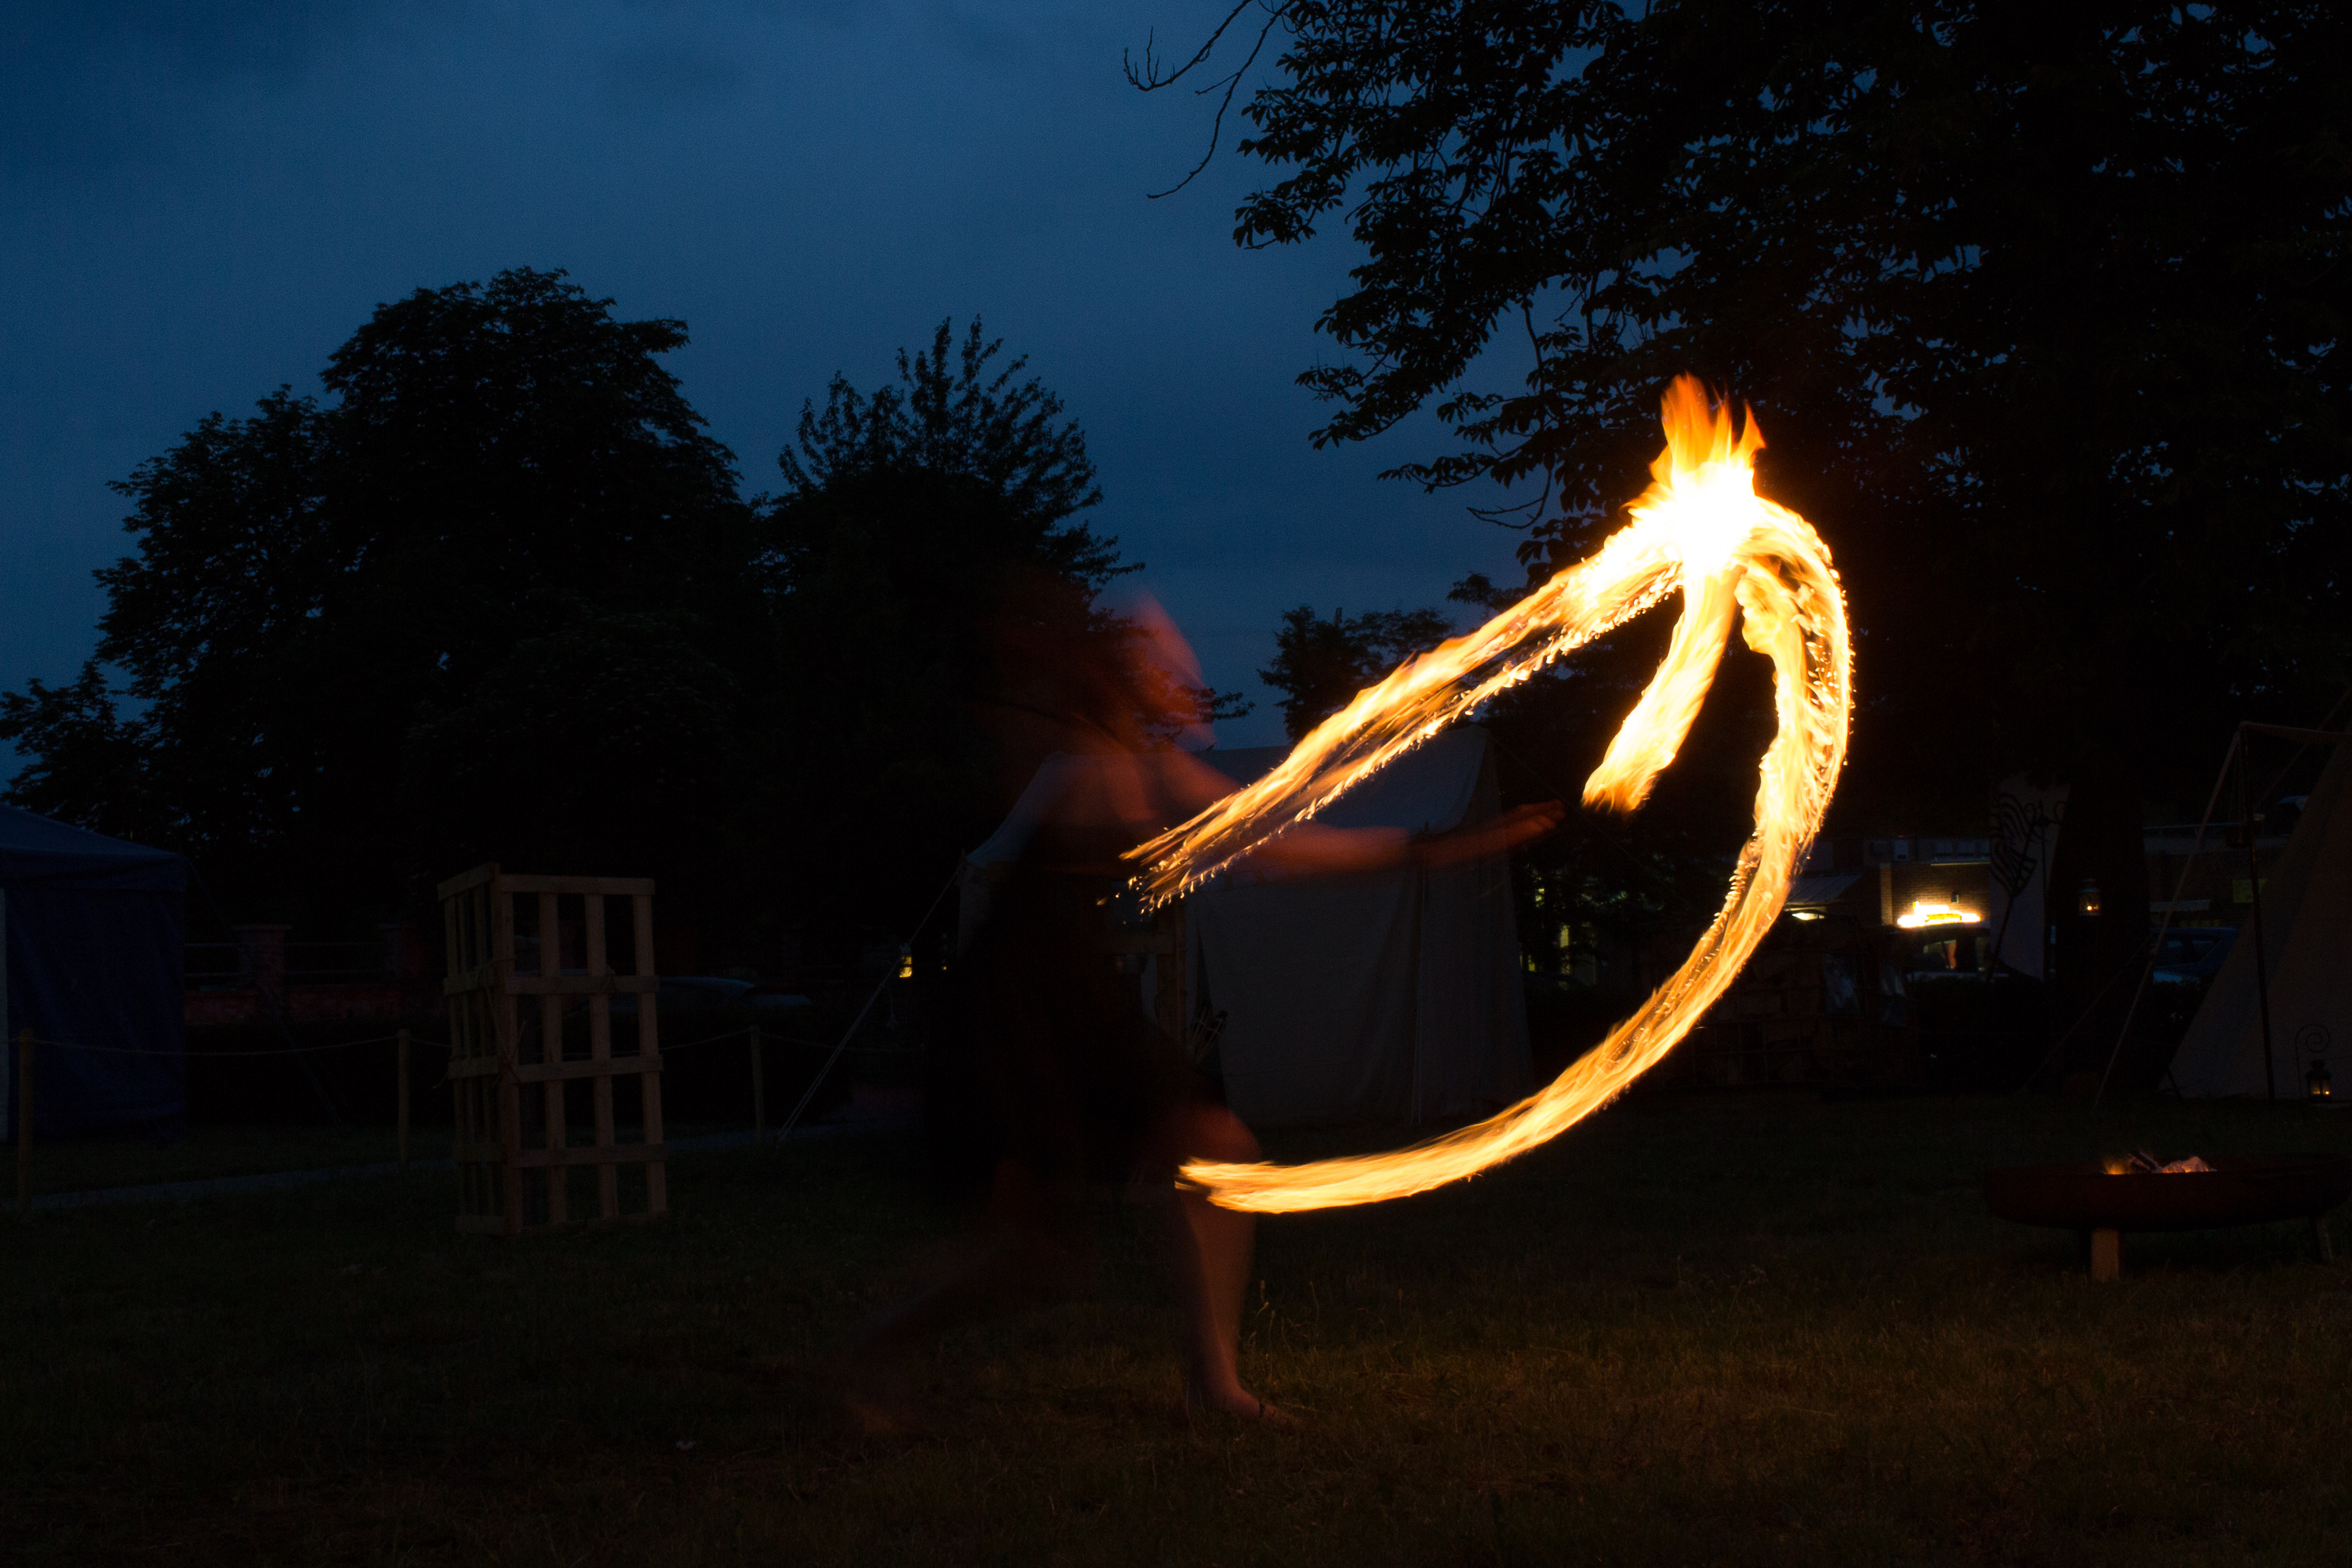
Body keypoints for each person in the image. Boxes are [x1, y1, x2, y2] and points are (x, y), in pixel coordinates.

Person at [834, 597, 1558, 1430]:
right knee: (1045, 1256)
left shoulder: (1145, 770)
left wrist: (1441, 846)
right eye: (1169, 676)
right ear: (1126, 679)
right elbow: (1218, 828)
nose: (1189, 692)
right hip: (1017, 1009)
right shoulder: (1073, 764)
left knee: (1212, 1147)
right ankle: (871, 1352)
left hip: (1070, 996)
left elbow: (1276, 844)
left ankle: (1212, 1383)